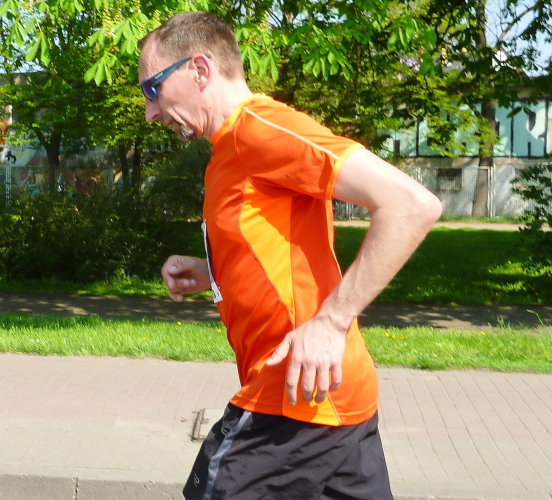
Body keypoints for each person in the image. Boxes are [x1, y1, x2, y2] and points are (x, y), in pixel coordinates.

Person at [138, 11, 442, 500]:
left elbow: (411, 205)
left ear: (200, 69)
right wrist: (212, 270)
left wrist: (332, 322)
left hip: (290, 400)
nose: (150, 112)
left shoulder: (260, 128)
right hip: (331, 401)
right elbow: (280, 247)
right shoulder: (227, 151)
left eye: (152, 89)